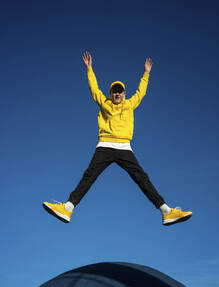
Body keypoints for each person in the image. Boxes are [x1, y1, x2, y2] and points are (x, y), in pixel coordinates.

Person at [43, 52, 192, 226]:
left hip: (124, 148)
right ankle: (67, 208)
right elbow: (94, 89)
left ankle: (167, 212)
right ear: (111, 93)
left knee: (142, 178)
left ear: (124, 93)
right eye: (114, 92)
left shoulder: (130, 105)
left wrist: (146, 74)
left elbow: (141, 92)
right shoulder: (104, 103)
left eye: (120, 92)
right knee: (89, 175)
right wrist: (89, 69)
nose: (117, 94)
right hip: (105, 145)